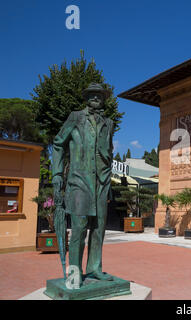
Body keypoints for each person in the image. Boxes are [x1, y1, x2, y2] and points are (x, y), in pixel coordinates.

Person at [52, 83, 114, 283]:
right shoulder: (75, 117)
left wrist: (109, 180)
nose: (96, 98)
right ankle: (75, 272)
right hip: (79, 179)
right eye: (92, 95)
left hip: (102, 181)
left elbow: (108, 153)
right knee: (79, 226)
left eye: (99, 95)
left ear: (104, 99)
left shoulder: (108, 123)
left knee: (99, 227)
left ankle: (95, 267)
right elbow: (58, 143)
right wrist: (57, 173)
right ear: (86, 98)